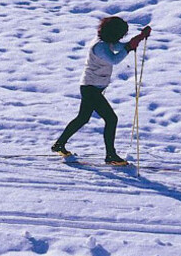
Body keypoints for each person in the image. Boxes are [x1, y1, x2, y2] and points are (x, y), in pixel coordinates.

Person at [51, 16, 150, 165]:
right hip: (91, 88)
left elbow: (118, 47)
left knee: (83, 118)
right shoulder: (100, 46)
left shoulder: (105, 42)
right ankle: (110, 155)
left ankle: (59, 144)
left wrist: (138, 38)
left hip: (92, 86)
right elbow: (114, 60)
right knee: (111, 119)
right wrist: (129, 47)